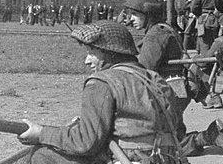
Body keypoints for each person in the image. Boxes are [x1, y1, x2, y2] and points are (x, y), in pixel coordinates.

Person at [17, 20, 187, 164]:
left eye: (91, 53)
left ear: (109, 53)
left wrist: (41, 133)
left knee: (41, 155)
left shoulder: (101, 83)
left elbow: (85, 143)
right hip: (168, 159)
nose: (87, 61)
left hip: (127, 160)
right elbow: (179, 132)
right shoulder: (155, 79)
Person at [124, 0, 223, 158]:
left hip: (168, 90)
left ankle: (213, 136)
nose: (131, 19)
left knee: (168, 146)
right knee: (175, 135)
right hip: (178, 88)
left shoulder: (155, 35)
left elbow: (144, 68)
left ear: (148, 13)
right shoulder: (165, 28)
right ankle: (213, 135)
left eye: (135, 14)